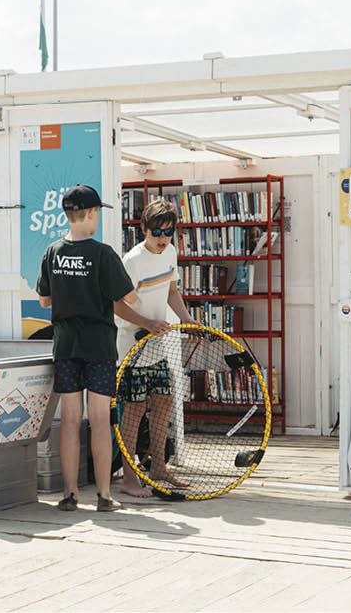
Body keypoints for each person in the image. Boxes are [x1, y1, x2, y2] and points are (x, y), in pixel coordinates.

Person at [36, 184, 168, 513]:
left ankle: (69, 495)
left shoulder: (52, 251)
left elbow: (44, 299)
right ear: (93, 213)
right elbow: (128, 298)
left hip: (66, 345)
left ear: (68, 215)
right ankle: (104, 496)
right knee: (98, 419)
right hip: (99, 347)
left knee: (69, 420)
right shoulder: (103, 253)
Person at [114, 199, 195, 498]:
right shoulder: (132, 261)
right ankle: (128, 477)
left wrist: (186, 319)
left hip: (157, 346)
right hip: (132, 349)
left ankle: (159, 468)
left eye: (168, 232)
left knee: (164, 402)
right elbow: (117, 306)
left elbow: (172, 290)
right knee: (134, 410)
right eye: (157, 232)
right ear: (143, 229)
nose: (163, 239)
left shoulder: (170, 252)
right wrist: (147, 323)